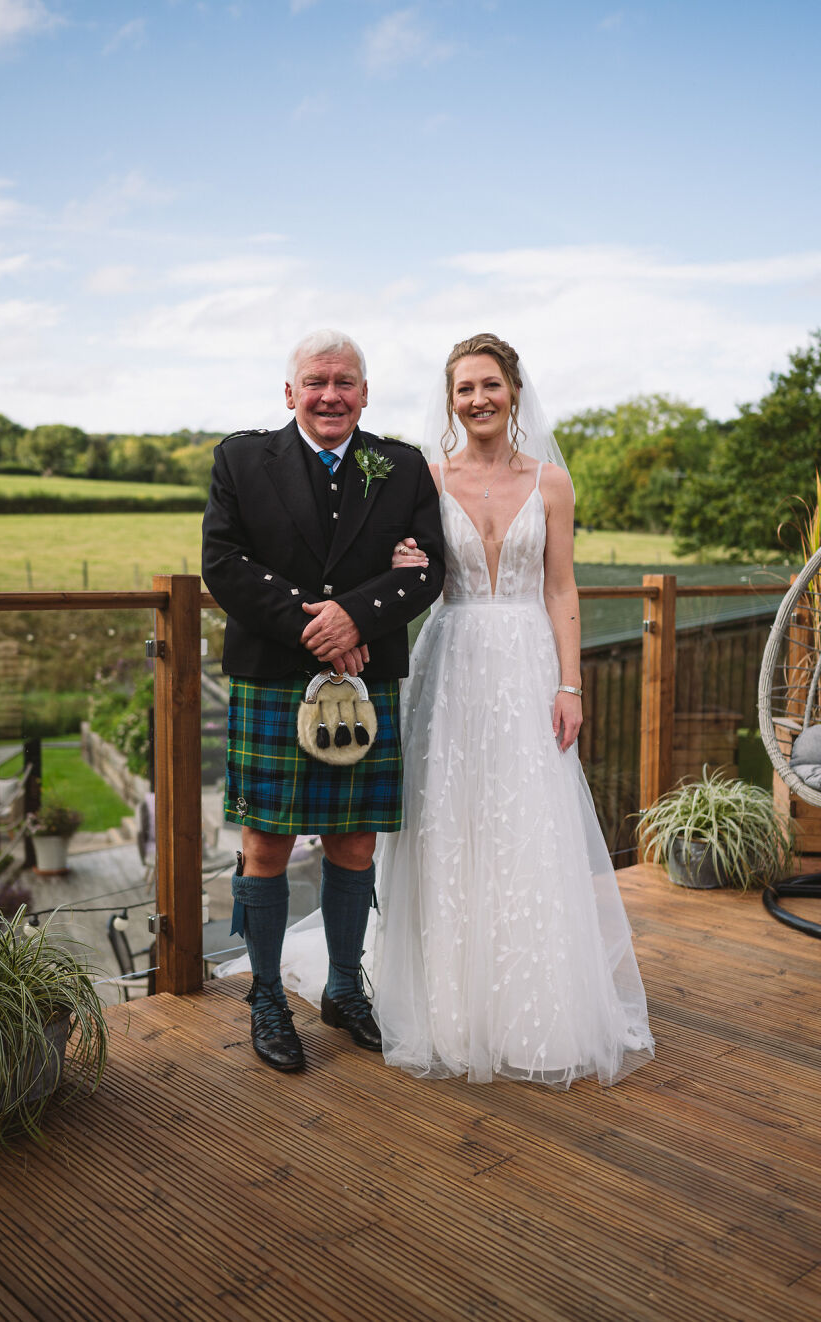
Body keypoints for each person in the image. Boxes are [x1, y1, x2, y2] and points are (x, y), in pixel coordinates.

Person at [233, 331, 654, 1087]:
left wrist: (571, 684)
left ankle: (506, 996)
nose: (478, 399)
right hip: (447, 664)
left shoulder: (537, 479)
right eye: (464, 388)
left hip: (526, 666)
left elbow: (558, 588)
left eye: (490, 385)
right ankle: (342, 995)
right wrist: (353, 610)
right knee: (436, 823)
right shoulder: (419, 473)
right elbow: (360, 554)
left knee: (522, 826)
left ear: (514, 391)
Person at [202, 329, 445, 1072]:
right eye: (316, 382)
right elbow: (223, 563)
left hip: (363, 679)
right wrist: (321, 627)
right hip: (276, 674)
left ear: (365, 393)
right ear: (290, 393)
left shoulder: (401, 466)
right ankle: (268, 996)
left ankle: (344, 990)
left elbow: (429, 566)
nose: (330, 394)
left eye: (345, 382)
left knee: (355, 840)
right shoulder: (241, 459)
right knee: (266, 843)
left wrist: (358, 617)